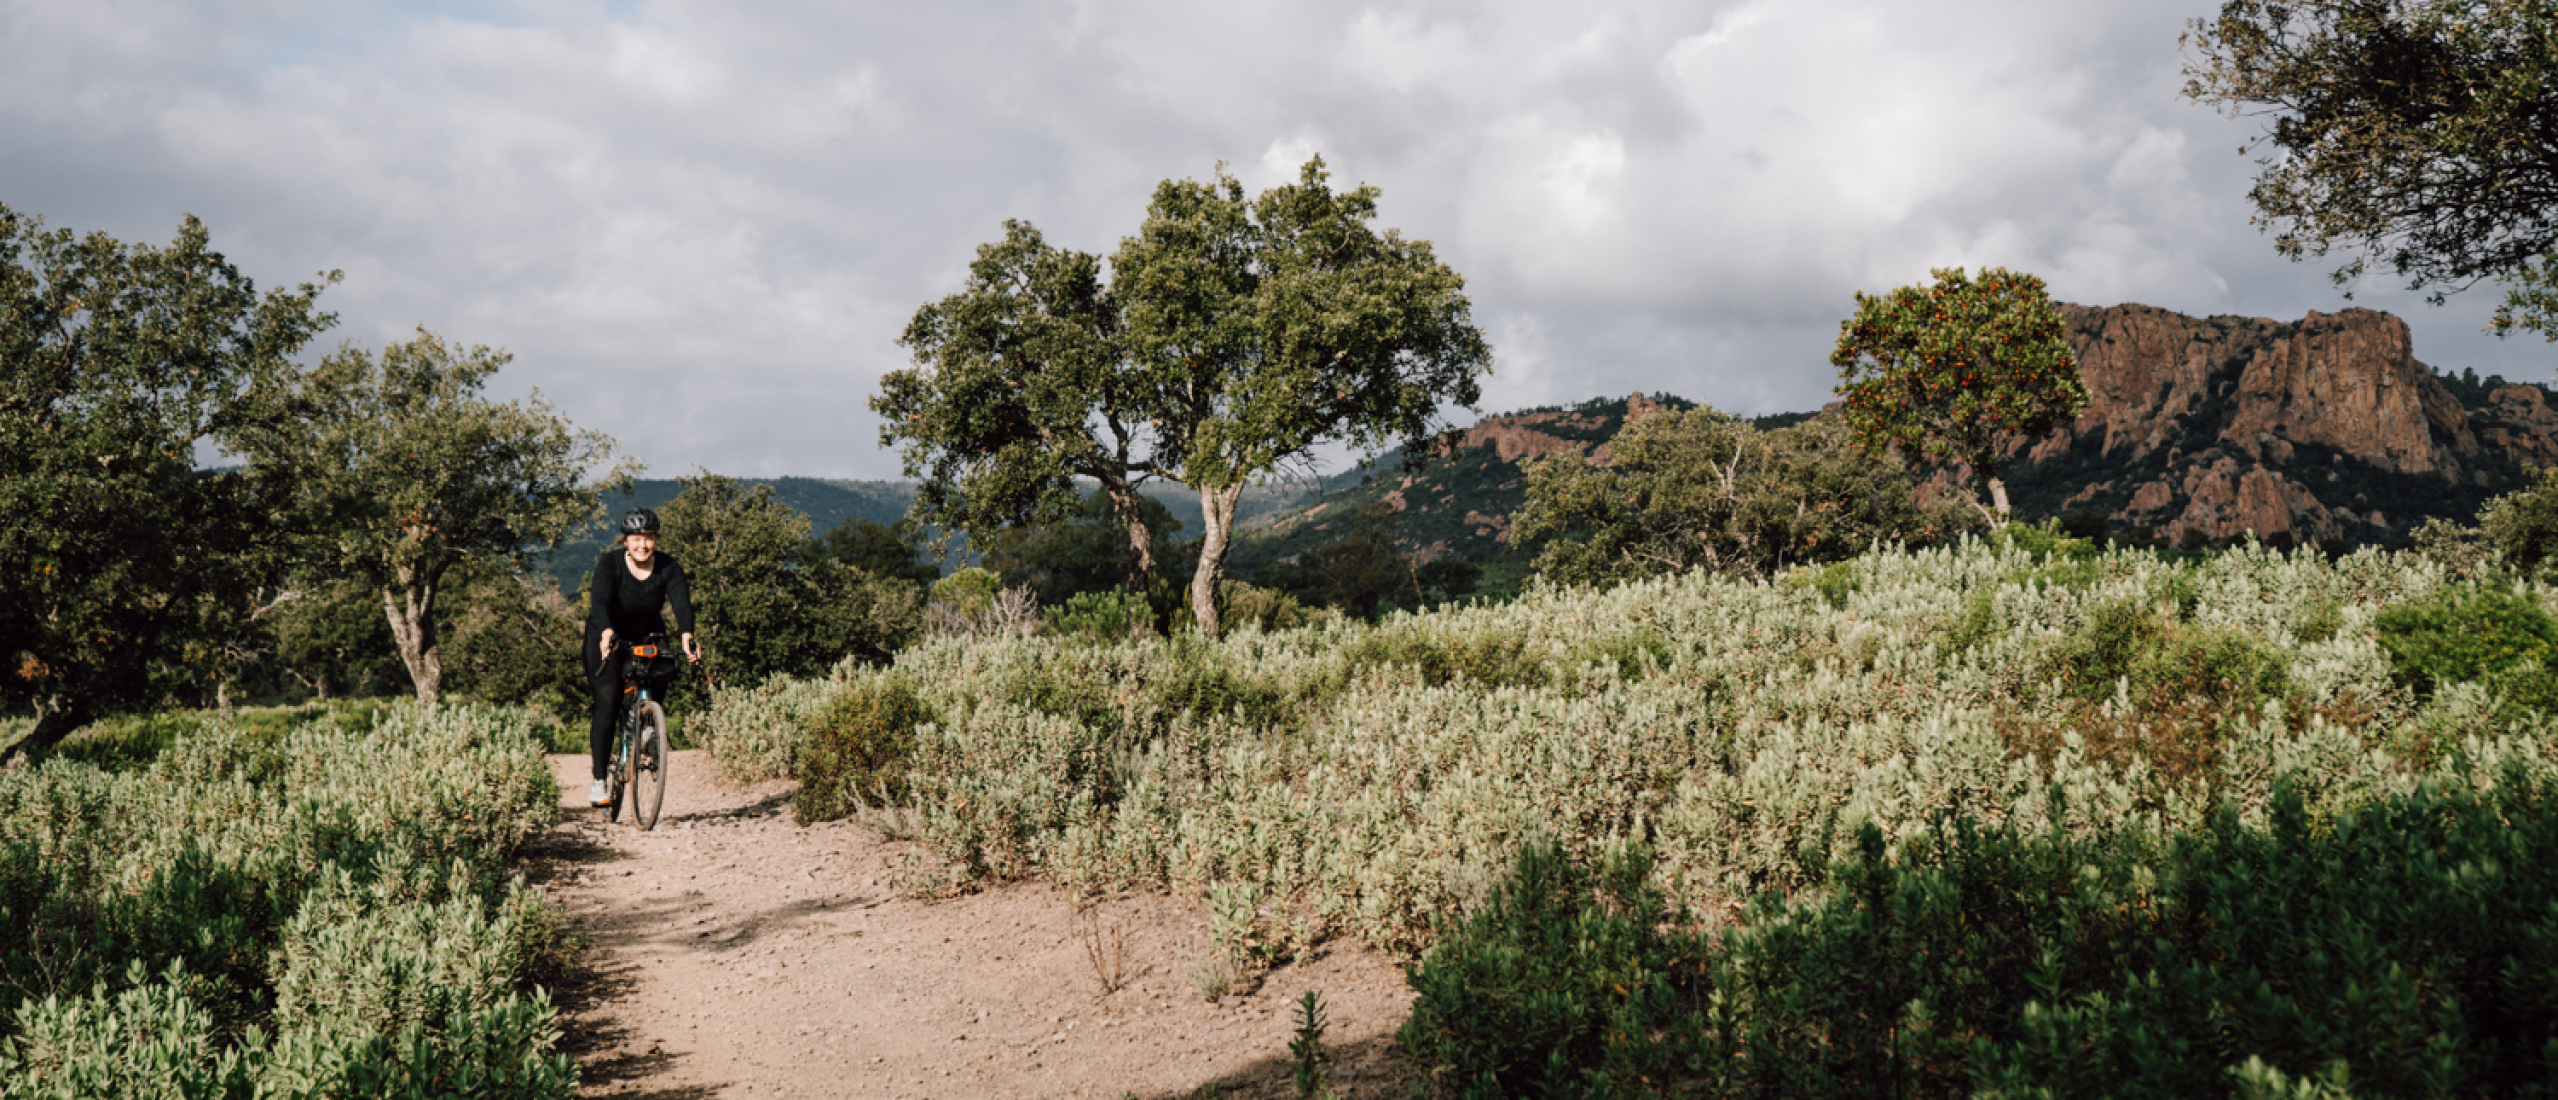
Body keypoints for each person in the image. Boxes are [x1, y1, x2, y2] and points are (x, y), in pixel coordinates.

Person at [584, 507, 701, 806]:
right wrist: (607, 632)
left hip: (648, 635)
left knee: (663, 669)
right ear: (625, 541)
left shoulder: (668, 567)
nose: (642, 545)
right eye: (636, 539)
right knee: (608, 702)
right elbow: (599, 601)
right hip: (608, 635)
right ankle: (599, 780)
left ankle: (648, 723)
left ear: (656, 540)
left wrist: (688, 635)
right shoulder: (610, 564)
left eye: (648, 538)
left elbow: (682, 603)